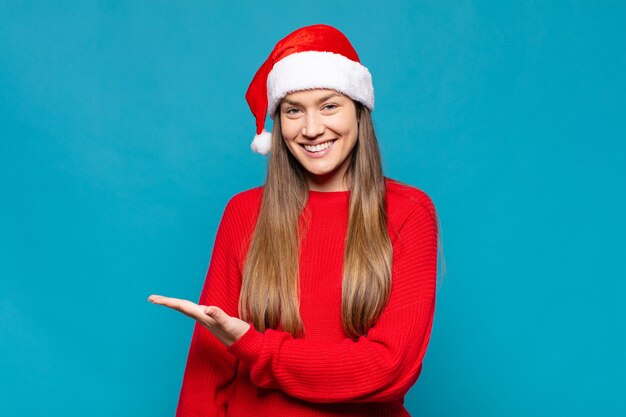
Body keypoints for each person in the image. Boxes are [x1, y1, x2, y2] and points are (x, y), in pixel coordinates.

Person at [148, 23, 445, 417]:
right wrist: (237, 343)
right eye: (293, 111)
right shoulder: (244, 212)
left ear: (359, 110)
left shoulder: (408, 211)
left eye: (329, 106)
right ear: (278, 122)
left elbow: (389, 368)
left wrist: (253, 346)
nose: (310, 129)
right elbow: (206, 376)